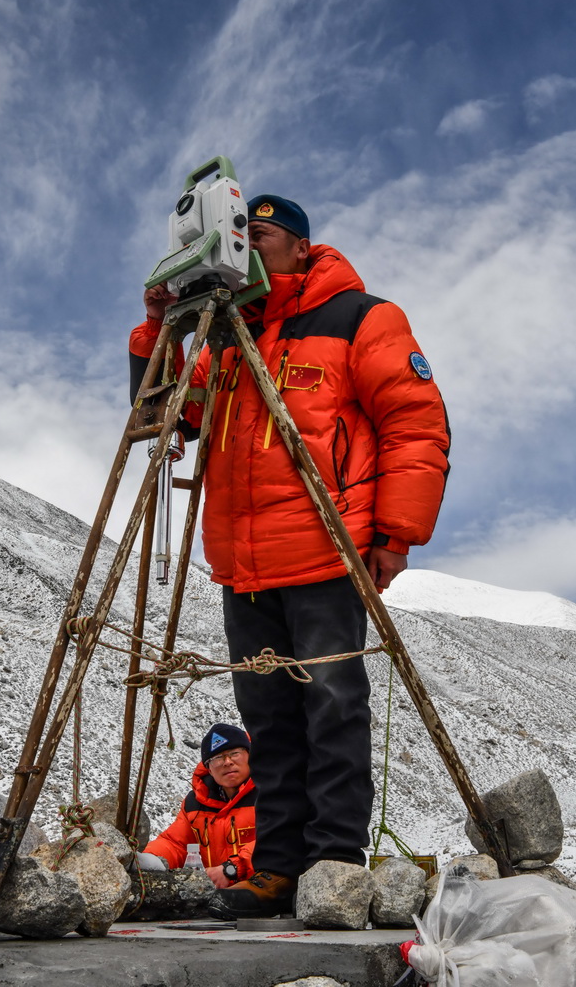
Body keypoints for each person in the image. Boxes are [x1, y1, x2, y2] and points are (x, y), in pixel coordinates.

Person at [130, 194, 450, 919]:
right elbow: (163, 416)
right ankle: (274, 870)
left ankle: (333, 863)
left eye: (260, 236)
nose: (244, 251)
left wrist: (393, 537)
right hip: (242, 566)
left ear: (301, 247)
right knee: (267, 721)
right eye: (236, 240)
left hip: (326, 552)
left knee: (333, 709)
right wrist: (160, 327)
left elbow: (415, 423)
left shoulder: (360, 318)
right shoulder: (222, 339)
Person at [138, 723, 256, 889]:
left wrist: (233, 868)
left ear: (249, 755)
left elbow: (278, 838)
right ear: (208, 767)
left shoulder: (270, 793)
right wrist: (149, 860)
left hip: (266, 893)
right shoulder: (196, 803)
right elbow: (175, 844)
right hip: (216, 898)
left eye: (234, 754)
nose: (227, 762)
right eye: (218, 758)